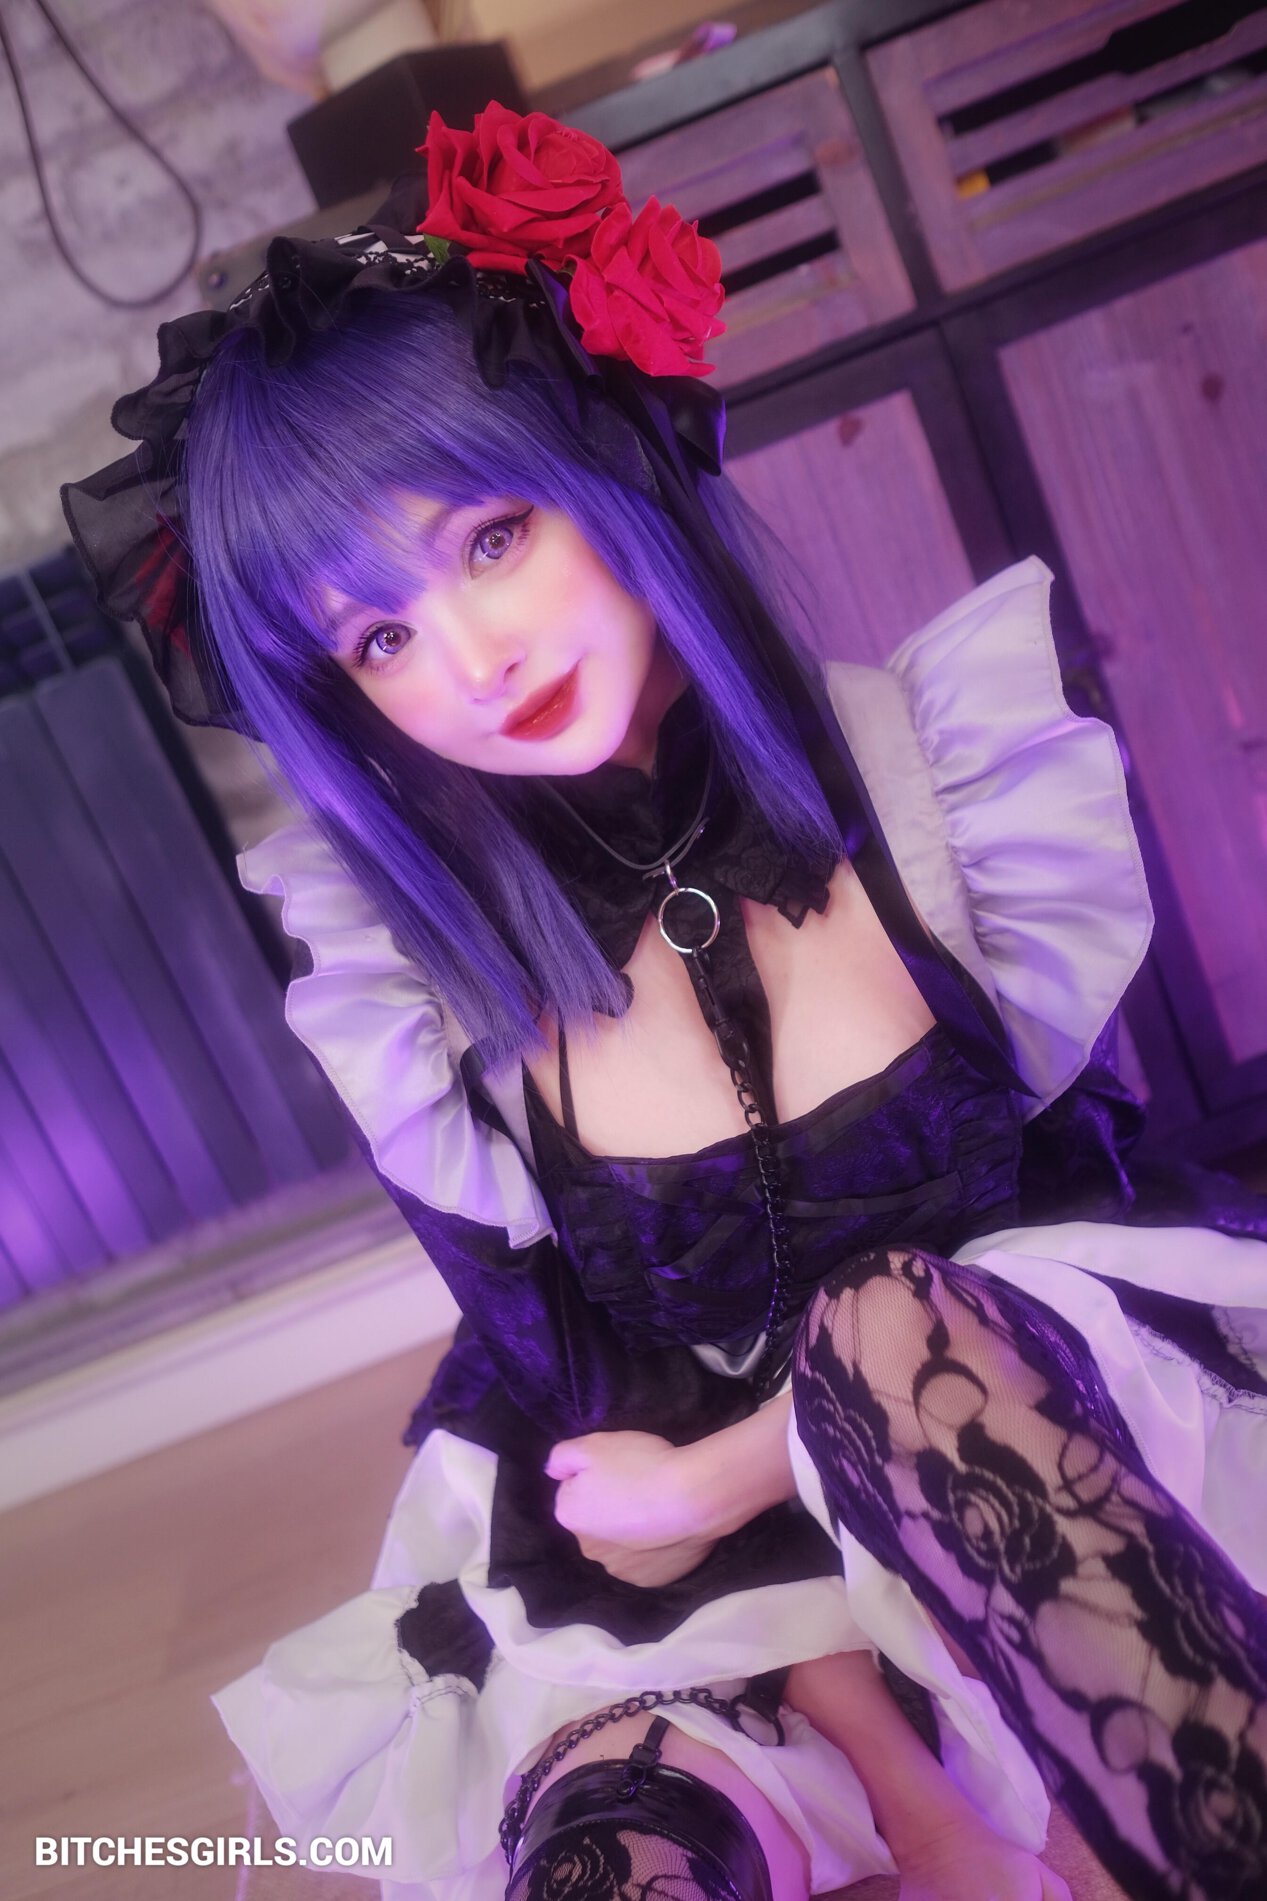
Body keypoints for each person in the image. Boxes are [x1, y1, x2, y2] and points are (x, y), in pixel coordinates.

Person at [62, 104, 1267, 1901]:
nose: (475, 661)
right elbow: (599, 1451)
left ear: (607, 458)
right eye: (377, 637)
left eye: (489, 536)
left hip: (1023, 1467)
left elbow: (1041, 1254)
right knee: (609, 1856)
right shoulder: (425, 998)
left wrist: (732, 1473)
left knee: (895, 1325)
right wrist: (909, 1796)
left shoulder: (942, 789)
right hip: (716, 1615)